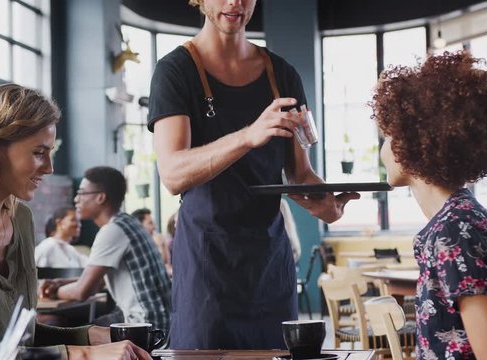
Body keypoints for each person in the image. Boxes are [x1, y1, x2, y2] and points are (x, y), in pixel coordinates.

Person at [147, 0, 359, 350]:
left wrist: (327, 206)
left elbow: (300, 174)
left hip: (270, 265)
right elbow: (172, 173)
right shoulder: (175, 71)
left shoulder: (282, 74)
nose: (235, 2)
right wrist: (248, 136)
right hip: (206, 265)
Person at [0, 84, 150, 360]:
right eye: (38, 153)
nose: (50, 167)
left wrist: (91, 335)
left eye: (50, 153)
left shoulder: (20, 218)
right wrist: (84, 354)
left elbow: (25, 337)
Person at [371, 51, 487, 359]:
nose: (383, 148)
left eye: (387, 136)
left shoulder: (455, 232)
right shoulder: (461, 219)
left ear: (407, 142)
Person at [42, 166, 171, 332]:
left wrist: (53, 292)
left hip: (145, 326)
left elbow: (82, 291)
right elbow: (99, 281)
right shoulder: (128, 223)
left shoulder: (112, 231)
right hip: (160, 321)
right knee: (83, 328)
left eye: (81, 193)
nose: (76, 199)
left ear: (100, 198)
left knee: (70, 332)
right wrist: (61, 282)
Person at [131, 208, 172, 276]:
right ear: (138, 225)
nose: (154, 227)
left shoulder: (155, 240)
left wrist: (162, 246)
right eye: (150, 223)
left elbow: (165, 262)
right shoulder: (134, 246)